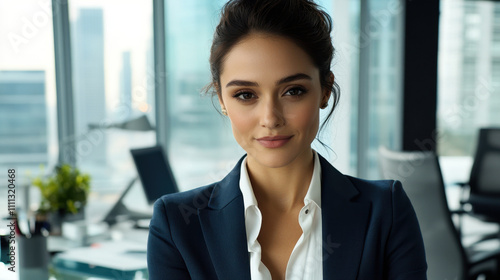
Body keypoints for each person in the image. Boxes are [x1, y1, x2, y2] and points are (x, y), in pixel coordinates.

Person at [147, 0, 427, 279]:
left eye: (293, 91)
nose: (270, 118)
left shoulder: (387, 212)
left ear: (325, 90)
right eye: (246, 94)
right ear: (221, 99)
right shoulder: (176, 226)